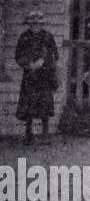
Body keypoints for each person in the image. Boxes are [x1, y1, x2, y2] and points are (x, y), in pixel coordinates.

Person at [14, 10, 59, 146]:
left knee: (44, 103)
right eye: (33, 23)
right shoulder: (24, 37)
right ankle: (28, 134)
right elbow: (18, 56)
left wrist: (44, 62)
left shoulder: (48, 37)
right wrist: (28, 64)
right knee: (28, 105)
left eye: (38, 24)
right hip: (29, 76)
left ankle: (45, 134)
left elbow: (55, 55)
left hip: (44, 76)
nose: (36, 26)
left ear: (42, 24)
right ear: (29, 24)